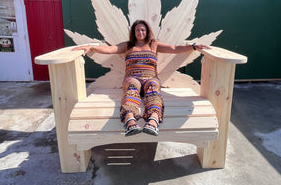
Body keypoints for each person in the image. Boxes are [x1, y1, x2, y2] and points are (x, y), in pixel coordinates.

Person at [72, 20, 211, 137]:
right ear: (134, 32)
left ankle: (153, 121)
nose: (140, 33)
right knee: (131, 88)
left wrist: (193, 46)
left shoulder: (154, 44)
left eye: (143, 30)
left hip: (151, 78)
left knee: (154, 89)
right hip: (133, 78)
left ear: (147, 31)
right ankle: (130, 121)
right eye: (138, 30)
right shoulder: (128, 45)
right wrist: (92, 47)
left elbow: (174, 48)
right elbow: (110, 49)